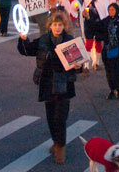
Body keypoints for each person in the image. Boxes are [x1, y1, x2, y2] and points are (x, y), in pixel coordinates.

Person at [17, 13, 82, 164]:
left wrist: (77, 66)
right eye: (55, 25)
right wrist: (23, 39)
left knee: (60, 118)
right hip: (47, 83)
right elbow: (26, 50)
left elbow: (78, 64)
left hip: (64, 83)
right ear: (50, 26)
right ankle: (56, 141)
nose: (57, 28)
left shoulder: (69, 41)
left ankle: (60, 148)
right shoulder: (43, 40)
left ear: (64, 26)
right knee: (51, 117)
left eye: (60, 25)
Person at [84, 3, 119, 99]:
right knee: (109, 71)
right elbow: (95, 26)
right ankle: (112, 89)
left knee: (118, 71)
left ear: (116, 10)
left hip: (118, 51)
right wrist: (87, 18)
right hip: (108, 51)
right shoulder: (106, 21)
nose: (111, 12)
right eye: (110, 10)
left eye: (113, 10)